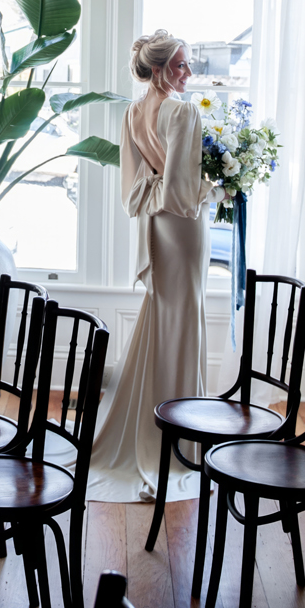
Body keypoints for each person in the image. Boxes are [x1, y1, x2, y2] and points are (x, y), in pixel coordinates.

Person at [85, 30, 216, 502]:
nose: (188, 72)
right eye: (181, 65)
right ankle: (181, 438)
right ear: (159, 70)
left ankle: (154, 420)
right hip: (183, 226)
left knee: (167, 315)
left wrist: (174, 189)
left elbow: (137, 184)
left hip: (156, 226)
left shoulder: (133, 112)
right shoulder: (181, 110)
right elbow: (182, 192)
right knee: (183, 318)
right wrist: (220, 189)